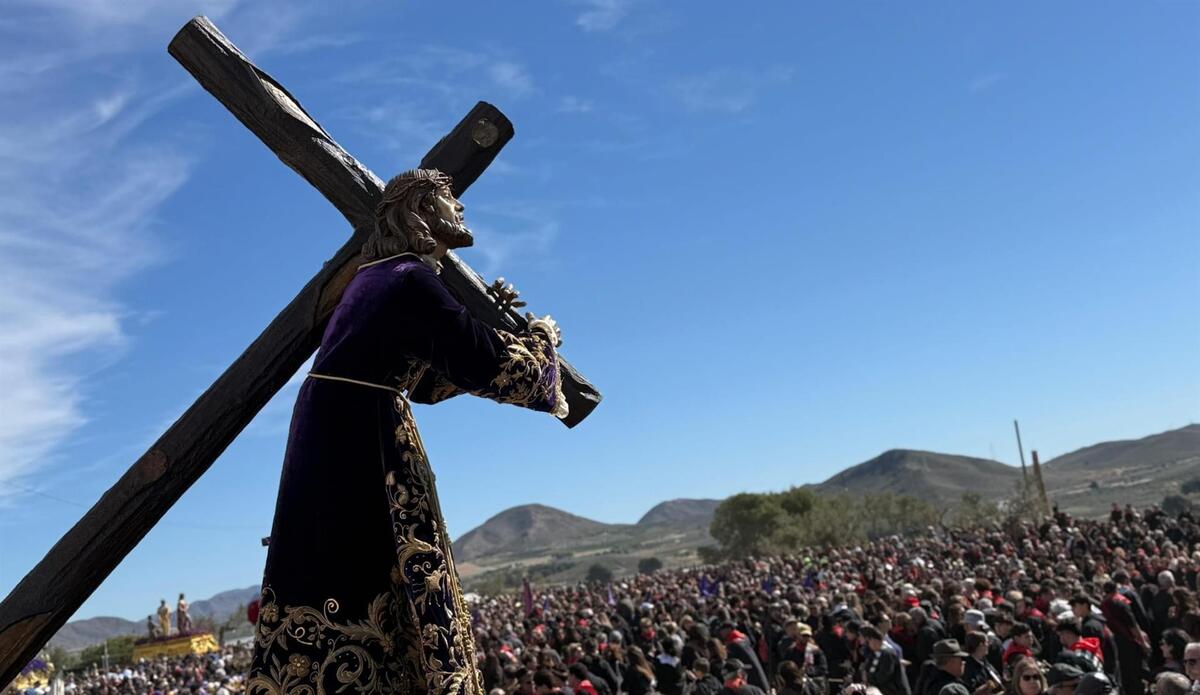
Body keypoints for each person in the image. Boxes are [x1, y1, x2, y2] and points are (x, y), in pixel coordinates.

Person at [247, 169, 570, 695]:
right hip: (359, 437)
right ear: (419, 211)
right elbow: (490, 366)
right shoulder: (407, 279)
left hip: (340, 426)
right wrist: (540, 339)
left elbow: (426, 380)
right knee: (373, 569)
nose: (460, 210)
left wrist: (489, 330)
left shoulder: (375, 277)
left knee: (345, 569)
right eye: (449, 200)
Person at [718, 622, 770, 693]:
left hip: (748, 682)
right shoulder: (743, 639)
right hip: (760, 680)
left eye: (722, 630)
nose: (721, 633)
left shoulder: (733, 645)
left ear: (729, 629)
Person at [863, 626, 910, 695]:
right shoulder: (874, 654)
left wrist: (870, 678)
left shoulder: (888, 654)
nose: (868, 645)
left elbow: (884, 675)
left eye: (868, 642)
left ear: (874, 640)